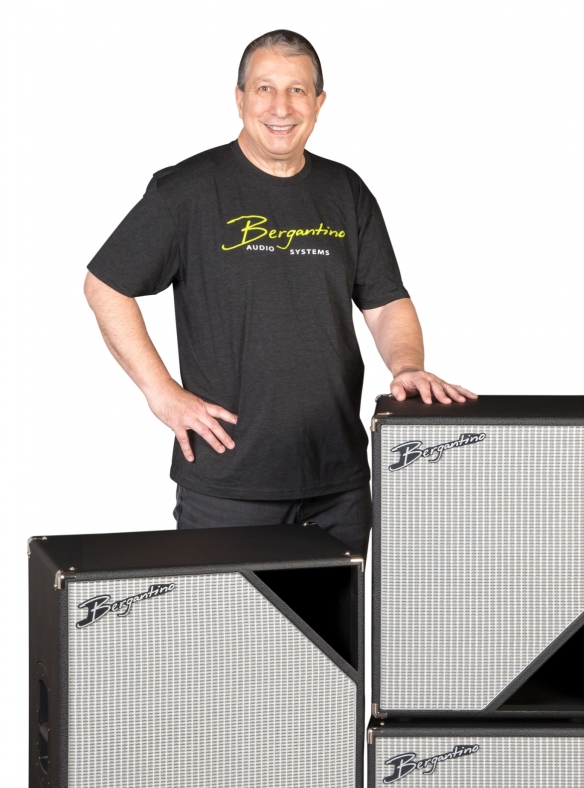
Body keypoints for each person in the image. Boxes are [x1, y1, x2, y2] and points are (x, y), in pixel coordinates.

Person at [84, 29, 475, 553]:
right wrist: (163, 394)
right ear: (240, 98)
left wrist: (407, 365)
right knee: (227, 614)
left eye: (297, 90)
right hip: (228, 486)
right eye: (264, 88)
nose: (281, 107)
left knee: (337, 614)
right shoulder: (187, 190)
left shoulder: (345, 190)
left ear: (319, 102)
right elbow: (105, 285)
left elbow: (385, 301)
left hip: (338, 484)